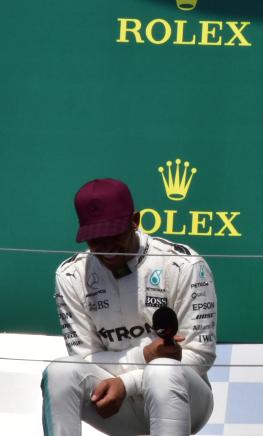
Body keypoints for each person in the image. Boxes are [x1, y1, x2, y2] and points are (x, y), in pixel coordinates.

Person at [41, 178, 217, 436]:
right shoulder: (71, 276)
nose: (107, 248)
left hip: (186, 402)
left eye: (114, 234)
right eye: (95, 240)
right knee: (60, 371)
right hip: (113, 404)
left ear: (134, 221)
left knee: (164, 369)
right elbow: (84, 359)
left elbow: (200, 356)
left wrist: (127, 383)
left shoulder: (184, 265)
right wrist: (145, 355)